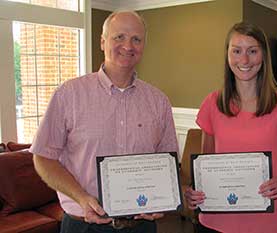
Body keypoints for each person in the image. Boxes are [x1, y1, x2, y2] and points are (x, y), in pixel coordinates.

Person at [30, 11, 178, 233]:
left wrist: (162, 199)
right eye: (119, 37)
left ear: (143, 46)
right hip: (83, 225)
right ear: (102, 41)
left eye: (136, 39)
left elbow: (168, 162)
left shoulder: (158, 101)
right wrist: (81, 198)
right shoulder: (68, 94)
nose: (128, 46)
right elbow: (43, 158)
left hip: (142, 226)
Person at [184, 22, 277, 233]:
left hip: (267, 221)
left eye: (252, 51)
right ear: (227, 55)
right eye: (237, 51)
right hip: (216, 220)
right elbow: (207, 160)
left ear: (263, 55)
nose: (244, 60)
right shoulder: (212, 103)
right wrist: (194, 191)